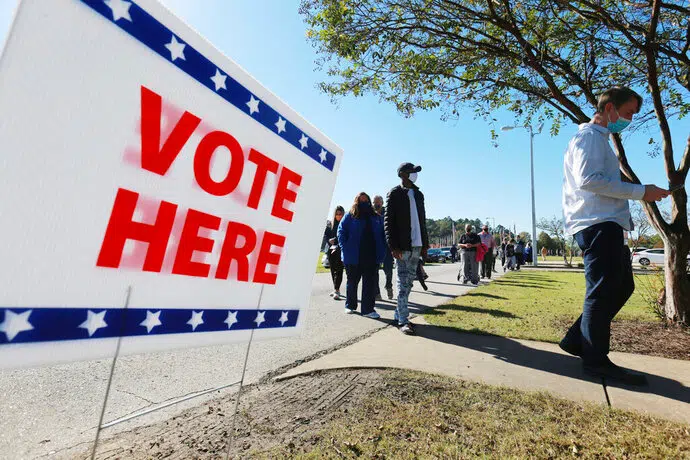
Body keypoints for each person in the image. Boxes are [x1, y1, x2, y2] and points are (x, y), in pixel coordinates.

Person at [559, 87, 669, 385]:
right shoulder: (589, 138)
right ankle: (595, 362)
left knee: (621, 287)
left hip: (608, 225)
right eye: (629, 112)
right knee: (603, 291)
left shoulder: (601, 141)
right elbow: (589, 180)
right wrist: (641, 191)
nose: (630, 119)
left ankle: (575, 340)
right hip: (597, 225)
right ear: (609, 108)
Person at [385, 162, 429, 335]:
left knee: (409, 283)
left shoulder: (418, 194)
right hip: (402, 246)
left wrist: (425, 244)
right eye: (412, 172)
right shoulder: (394, 193)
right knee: (403, 284)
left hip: (417, 245)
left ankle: (398, 313)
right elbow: (388, 223)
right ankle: (403, 320)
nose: (414, 175)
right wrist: (393, 246)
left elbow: (423, 220)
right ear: (403, 174)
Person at [337, 192, 387, 319]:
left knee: (369, 284)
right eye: (361, 201)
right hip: (353, 256)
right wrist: (345, 248)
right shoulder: (350, 216)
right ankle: (350, 305)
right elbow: (341, 232)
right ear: (356, 202)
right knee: (352, 282)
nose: (364, 203)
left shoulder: (376, 217)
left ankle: (368, 309)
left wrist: (383, 251)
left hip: (371, 255)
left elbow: (383, 235)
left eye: (366, 201)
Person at [373, 195, 395, 300]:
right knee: (374, 271)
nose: (376, 204)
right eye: (374, 202)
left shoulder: (388, 213)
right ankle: (377, 293)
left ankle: (389, 285)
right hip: (375, 247)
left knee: (388, 270)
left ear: (382, 203)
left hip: (387, 246)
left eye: (378, 202)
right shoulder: (370, 214)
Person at [324, 206, 345, 300]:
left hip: (340, 249)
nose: (338, 216)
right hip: (330, 250)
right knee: (333, 270)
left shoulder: (344, 224)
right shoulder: (330, 225)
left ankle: (337, 290)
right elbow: (325, 235)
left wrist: (335, 240)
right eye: (337, 214)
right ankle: (336, 288)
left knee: (339, 269)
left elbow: (344, 235)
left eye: (340, 214)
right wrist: (329, 240)